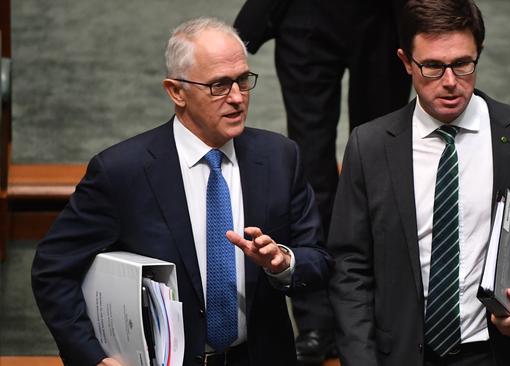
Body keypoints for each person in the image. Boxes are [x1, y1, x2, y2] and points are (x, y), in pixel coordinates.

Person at [31, 17, 332, 366]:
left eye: (243, 81)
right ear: (176, 91)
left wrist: (283, 262)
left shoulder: (280, 157)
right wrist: (93, 356)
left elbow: (319, 260)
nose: (237, 98)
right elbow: (53, 270)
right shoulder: (122, 172)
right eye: (219, 85)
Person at [327, 0, 510, 365]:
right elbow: (349, 264)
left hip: (498, 352)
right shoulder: (370, 147)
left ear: (478, 55)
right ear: (405, 62)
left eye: (463, 64)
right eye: (432, 67)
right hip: (404, 354)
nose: (450, 82)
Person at [233, 1, 412, 362]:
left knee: (381, 158)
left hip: (384, 16)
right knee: (310, 167)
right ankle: (316, 321)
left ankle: (378, 313)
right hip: (306, 13)